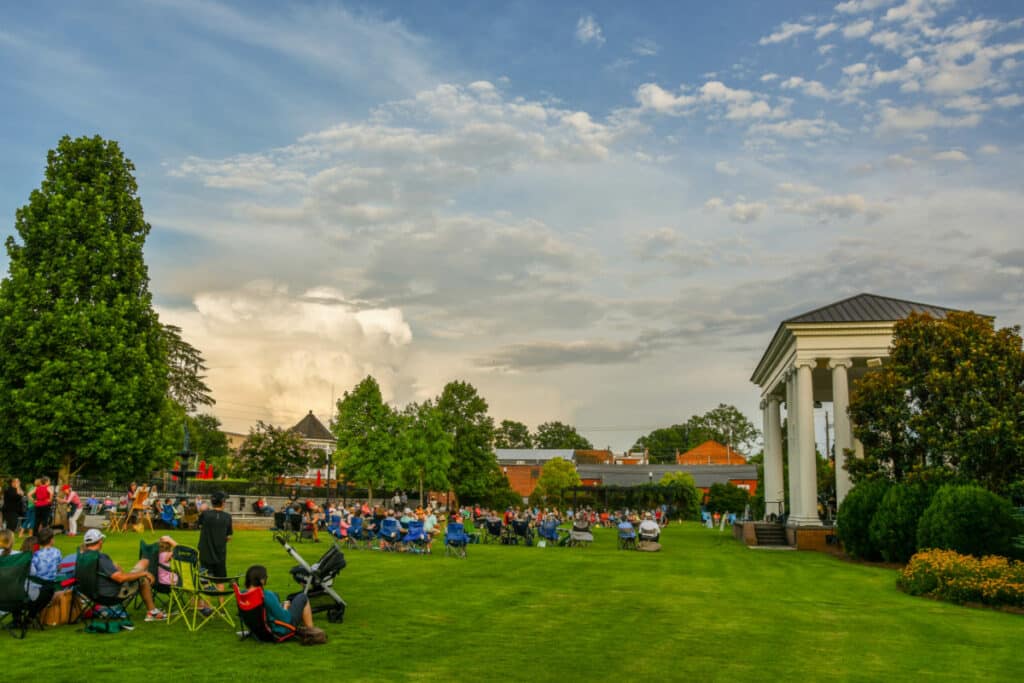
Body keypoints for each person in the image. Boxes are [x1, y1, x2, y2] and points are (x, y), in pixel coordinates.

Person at [81, 529, 166, 623]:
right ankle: (152, 612)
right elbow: (120, 578)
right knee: (142, 579)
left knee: (143, 562)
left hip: (91, 594)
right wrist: (143, 573)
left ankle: (140, 568)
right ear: (101, 541)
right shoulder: (100, 557)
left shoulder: (82, 557)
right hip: (110, 595)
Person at [242, 564, 314, 635]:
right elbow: (285, 618)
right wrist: (285, 607)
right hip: (279, 629)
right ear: (261, 580)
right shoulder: (267, 595)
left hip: (259, 629)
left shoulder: (243, 594)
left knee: (276, 595)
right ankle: (311, 632)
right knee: (302, 597)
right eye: (265, 576)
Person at [197, 490, 233, 612]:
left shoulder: (205, 515)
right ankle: (221, 606)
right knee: (220, 579)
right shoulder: (228, 517)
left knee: (206, 580)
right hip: (220, 553)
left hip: (205, 552)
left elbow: (200, 525)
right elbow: (228, 537)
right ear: (223, 502)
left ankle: (207, 606)